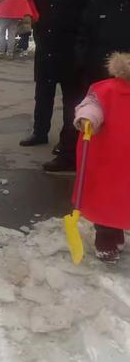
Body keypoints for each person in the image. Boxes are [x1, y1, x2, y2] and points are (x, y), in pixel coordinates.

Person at [20, 0, 107, 173]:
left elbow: (99, 17)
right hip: (47, 47)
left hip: (73, 52)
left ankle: (68, 152)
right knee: (43, 93)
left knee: (72, 102)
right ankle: (40, 132)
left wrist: (86, 49)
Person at [73, 52, 130, 263]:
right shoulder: (106, 89)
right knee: (107, 200)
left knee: (124, 201)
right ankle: (106, 239)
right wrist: (87, 117)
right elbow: (91, 105)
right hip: (109, 161)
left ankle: (116, 232)